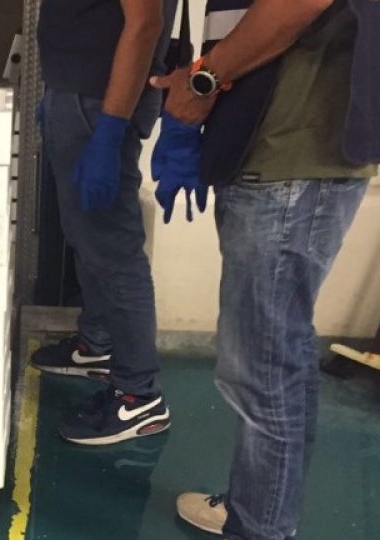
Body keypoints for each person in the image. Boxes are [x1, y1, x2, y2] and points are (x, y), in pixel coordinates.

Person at [150, 0, 379, 538]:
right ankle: (259, 511)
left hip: (290, 157)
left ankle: (259, 527)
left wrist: (202, 81)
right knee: (280, 357)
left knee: (262, 367)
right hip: (285, 154)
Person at [33, 0, 178, 444]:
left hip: (99, 101)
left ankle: (138, 395)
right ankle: (96, 345)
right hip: (80, 94)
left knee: (113, 250)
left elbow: (145, 22)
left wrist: (110, 130)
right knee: (87, 238)